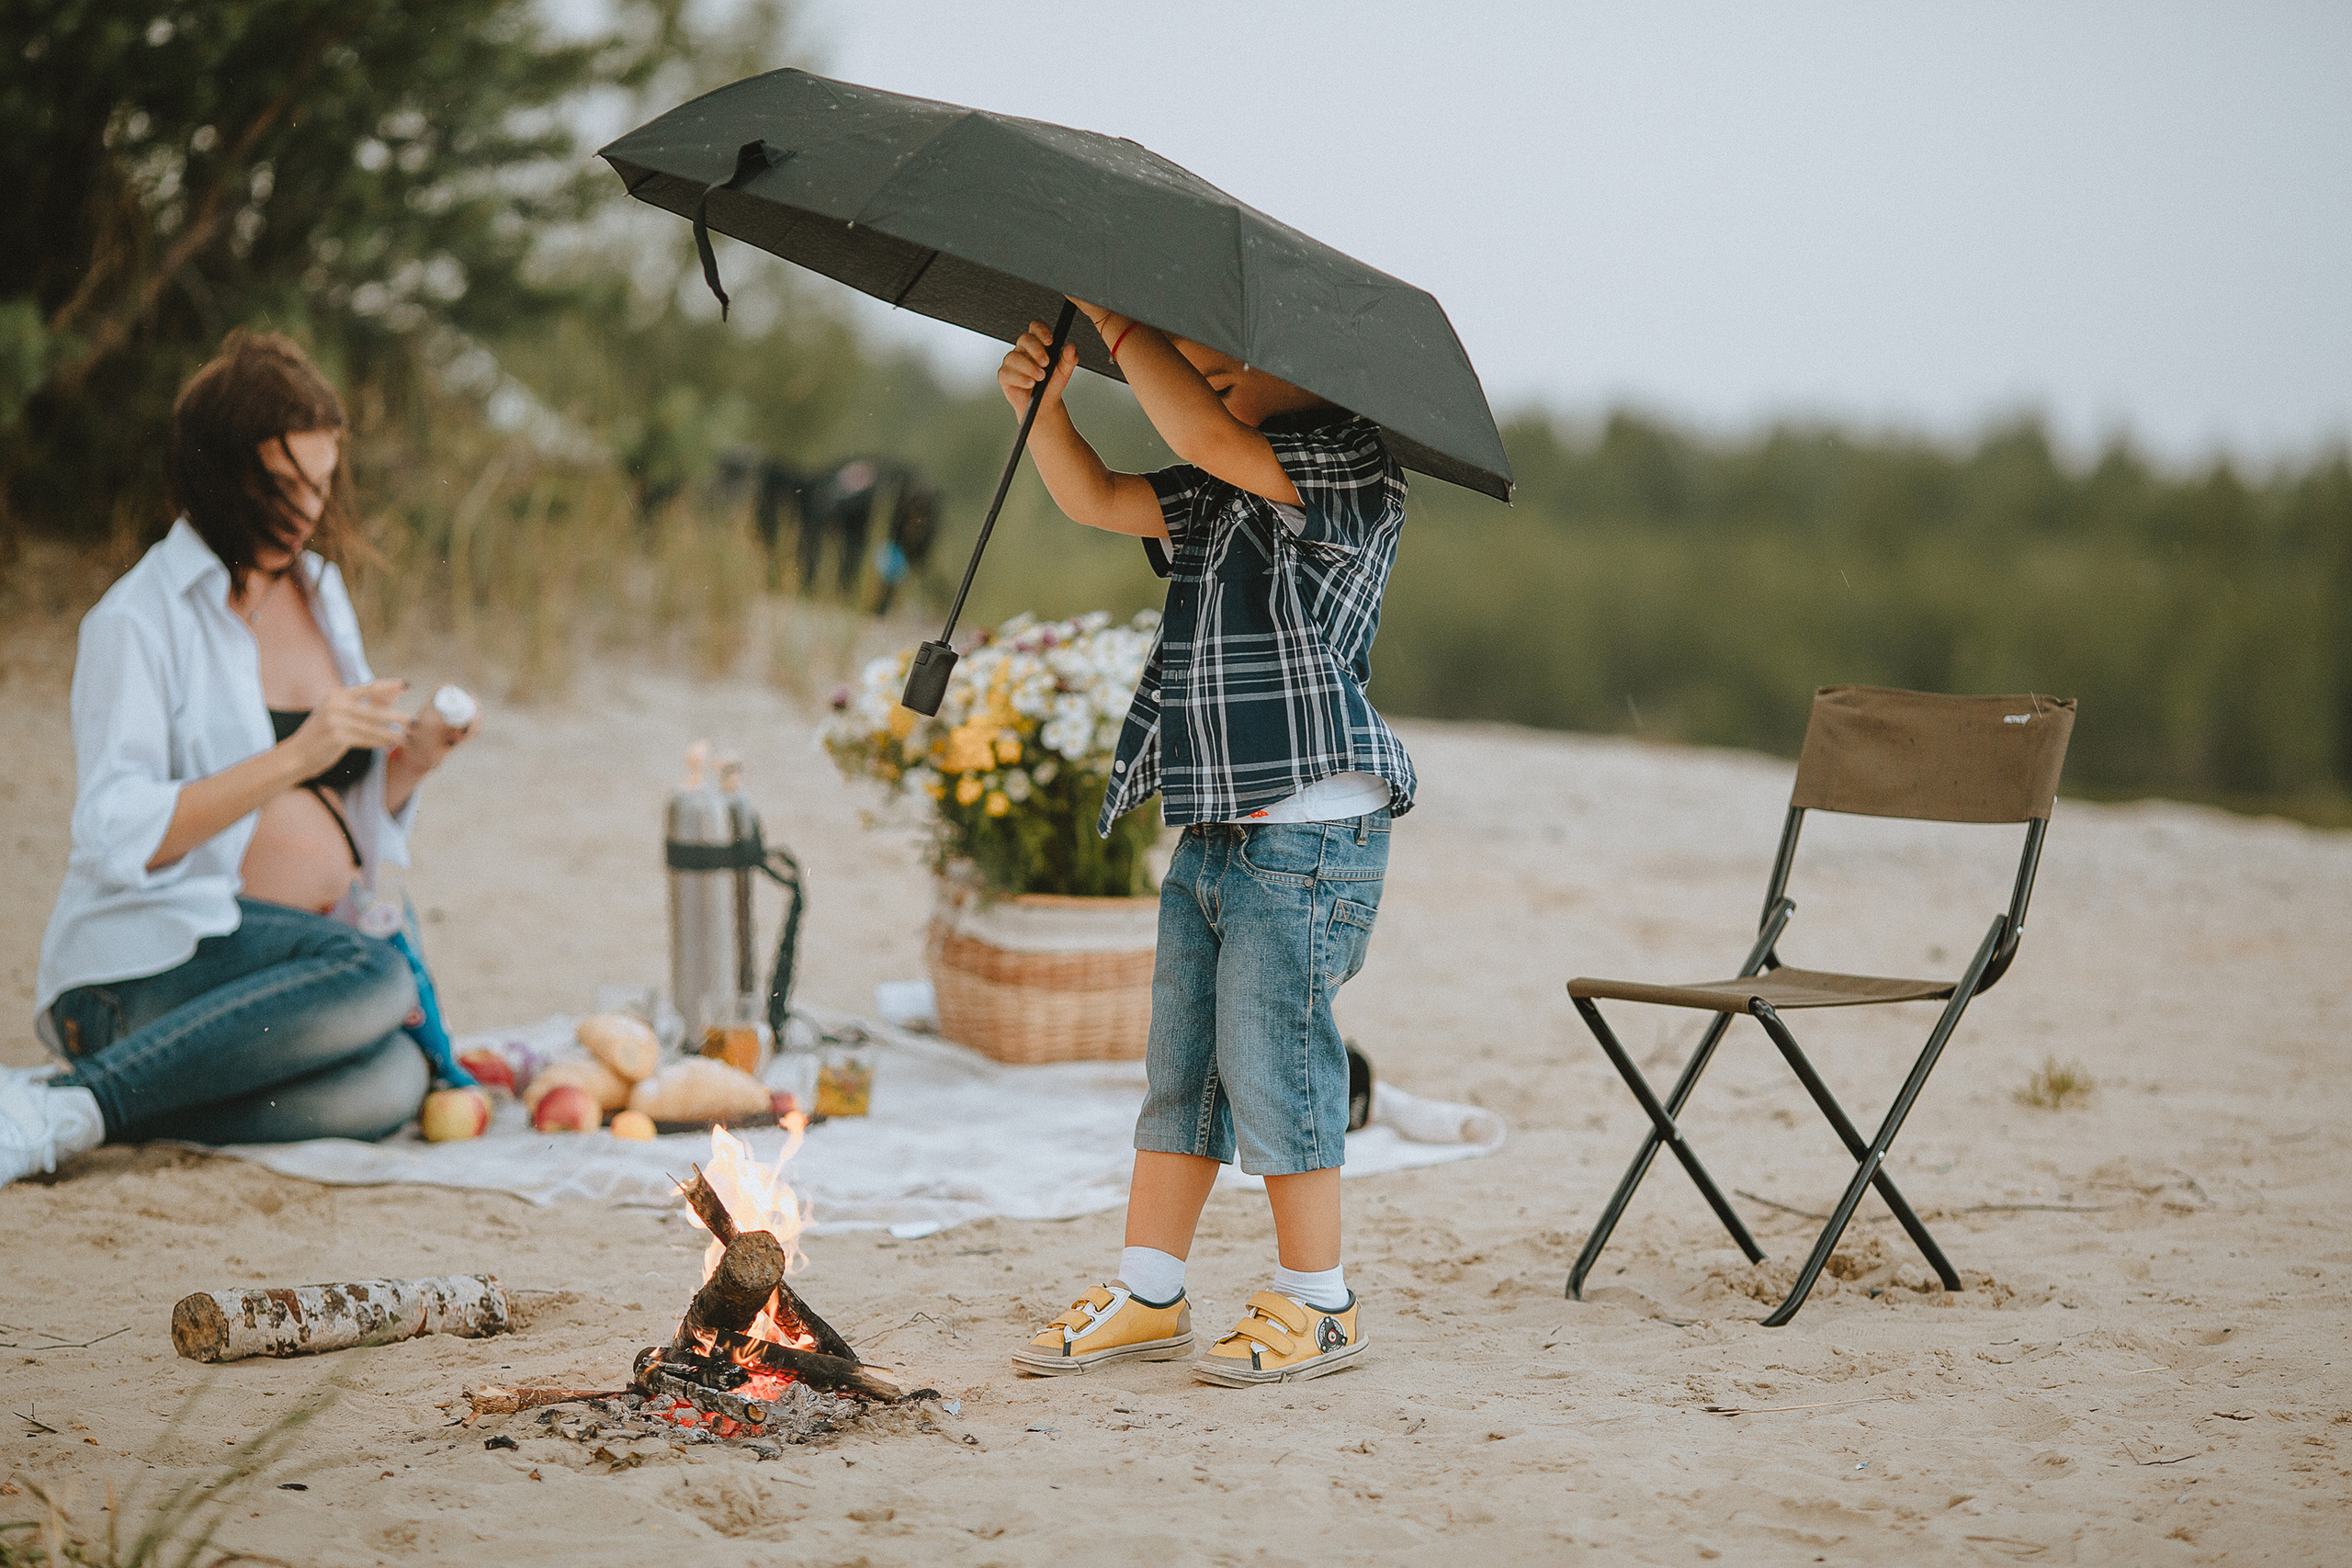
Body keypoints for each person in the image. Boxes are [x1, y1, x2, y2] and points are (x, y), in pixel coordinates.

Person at [1000, 302, 1411, 1385]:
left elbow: (1204, 436)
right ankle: (1147, 1287)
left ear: (1321, 369)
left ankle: (1321, 1303)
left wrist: (1123, 334)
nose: (1207, 365)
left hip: (1310, 843)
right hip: (1217, 830)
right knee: (1181, 1069)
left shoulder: (1351, 465)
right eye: (1197, 349)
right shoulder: (1220, 483)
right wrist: (1045, 410)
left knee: (1280, 1069)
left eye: (1233, 350)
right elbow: (1094, 496)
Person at [0, 330, 476, 1187]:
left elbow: (344, 792)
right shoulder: (137, 620)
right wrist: (296, 754)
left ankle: (106, 1100)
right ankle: (74, 1107)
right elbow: (116, 834)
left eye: (321, 485)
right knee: (373, 970)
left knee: (393, 1080)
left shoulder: (321, 592)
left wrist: (412, 762)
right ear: (218, 474)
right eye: (282, 485)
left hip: (272, 971)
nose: (305, 510)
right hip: (148, 964)